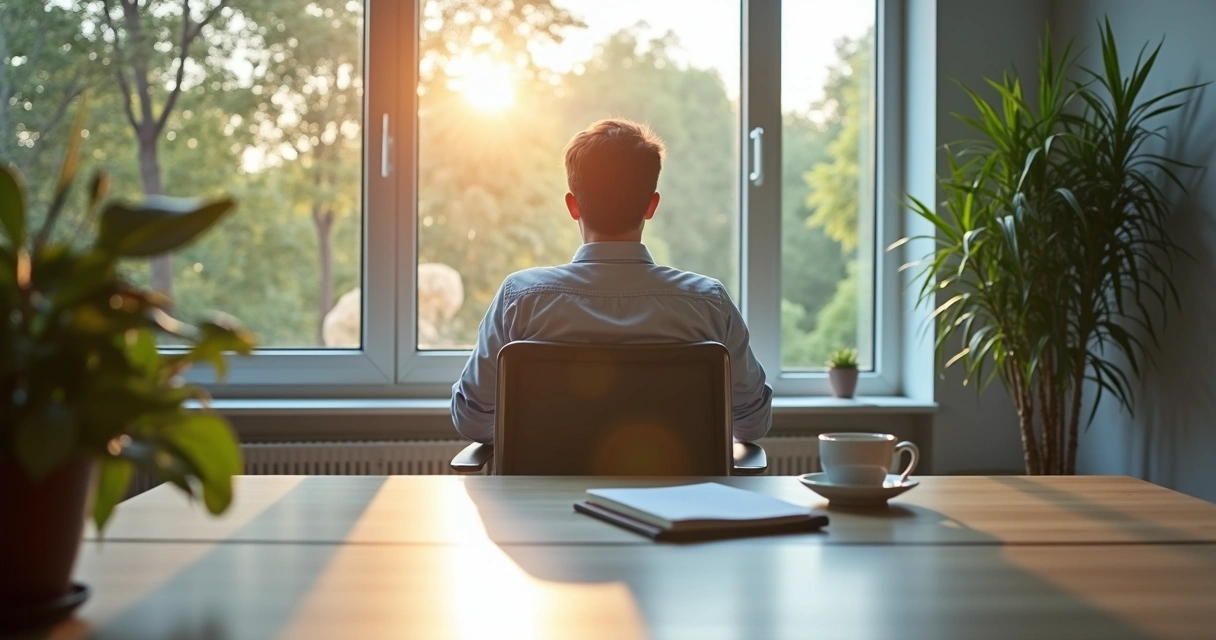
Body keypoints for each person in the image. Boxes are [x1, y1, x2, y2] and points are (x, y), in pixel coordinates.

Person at [450, 118, 772, 443]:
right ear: (651, 206)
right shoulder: (708, 304)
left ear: (572, 206)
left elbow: (472, 419)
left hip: (546, 495)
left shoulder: (520, 300)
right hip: (674, 494)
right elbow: (753, 423)